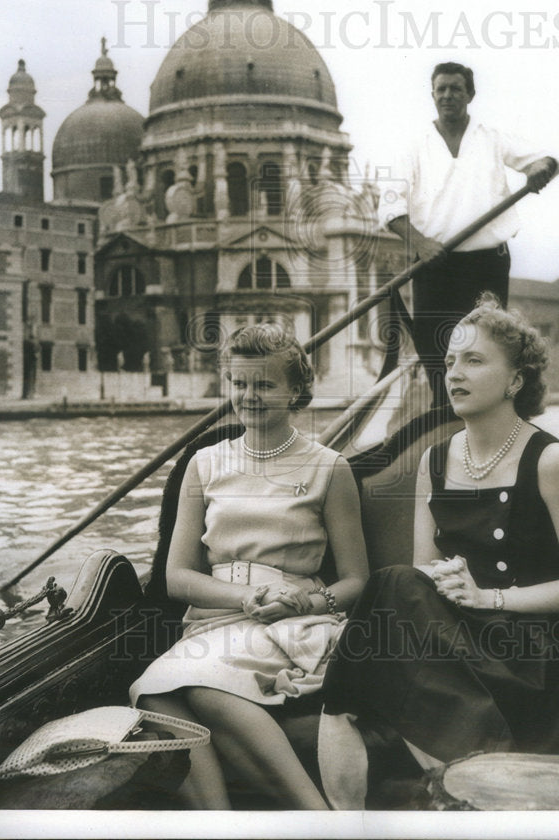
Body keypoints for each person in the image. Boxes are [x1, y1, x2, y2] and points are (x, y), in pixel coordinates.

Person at [318, 294, 559, 809]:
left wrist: (490, 600)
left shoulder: (550, 460)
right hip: (460, 641)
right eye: (450, 361)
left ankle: (479, 765)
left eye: (474, 361)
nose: (455, 373)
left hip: (531, 652)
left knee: (387, 594)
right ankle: (352, 818)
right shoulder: (434, 459)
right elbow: (424, 573)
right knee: (393, 590)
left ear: (516, 379)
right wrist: (442, 591)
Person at [129, 323, 369, 809]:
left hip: (292, 619)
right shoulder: (203, 463)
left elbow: (357, 581)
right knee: (153, 697)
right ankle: (221, 824)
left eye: (264, 385)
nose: (249, 396)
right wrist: (242, 598)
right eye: (239, 384)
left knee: (199, 689)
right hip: (216, 617)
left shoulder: (329, 468)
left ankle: (318, 817)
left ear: (296, 390)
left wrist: (303, 600)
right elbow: (176, 577)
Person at [380, 62, 559, 407]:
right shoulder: (414, 146)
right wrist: (420, 244)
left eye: (455, 89)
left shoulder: (492, 138)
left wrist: (539, 171)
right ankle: (443, 422)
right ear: (432, 94)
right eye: (441, 89)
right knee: (436, 350)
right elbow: (389, 207)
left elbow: (544, 162)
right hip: (434, 264)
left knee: (487, 345)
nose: (448, 95)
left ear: (470, 95)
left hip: (487, 264)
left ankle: (490, 416)